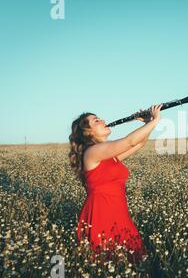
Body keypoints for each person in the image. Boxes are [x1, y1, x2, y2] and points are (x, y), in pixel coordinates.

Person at [68, 104, 162, 264]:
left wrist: (148, 123)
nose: (103, 120)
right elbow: (129, 141)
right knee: (108, 263)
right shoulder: (93, 152)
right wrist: (156, 120)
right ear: (87, 132)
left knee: (132, 263)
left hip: (118, 213)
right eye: (96, 121)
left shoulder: (108, 156)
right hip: (102, 214)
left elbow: (138, 144)